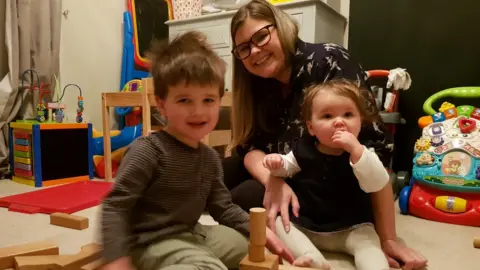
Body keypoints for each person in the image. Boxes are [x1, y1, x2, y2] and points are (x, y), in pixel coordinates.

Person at [224, 0, 428, 269]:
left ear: (281, 27)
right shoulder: (258, 85)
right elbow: (250, 149)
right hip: (288, 170)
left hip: (335, 184)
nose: (255, 51)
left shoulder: (329, 61)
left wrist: (388, 238)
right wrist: (274, 180)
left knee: (246, 197)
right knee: (213, 169)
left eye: (261, 36)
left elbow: (376, 151)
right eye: (244, 48)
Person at [100, 31, 294, 270]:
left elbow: (224, 208)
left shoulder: (210, 158)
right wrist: (117, 260)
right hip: (149, 242)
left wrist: (262, 233)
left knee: (247, 246)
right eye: (184, 100)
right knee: (210, 267)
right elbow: (115, 206)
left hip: (192, 232)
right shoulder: (148, 150)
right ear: (161, 104)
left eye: (208, 100)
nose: (198, 111)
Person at [263, 79, 391, 270]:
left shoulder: (364, 154)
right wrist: (276, 164)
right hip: (306, 222)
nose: (339, 122)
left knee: (370, 244)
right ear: (311, 128)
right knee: (281, 224)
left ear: (360, 121)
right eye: (327, 116)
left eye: (348, 114)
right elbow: (287, 166)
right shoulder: (303, 149)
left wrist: (356, 151)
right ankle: (312, 257)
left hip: (351, 227)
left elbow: (377, 182)